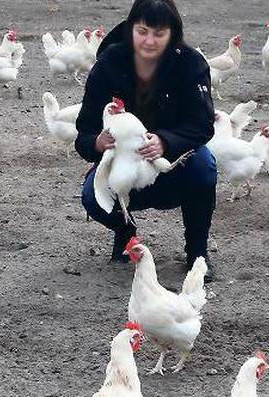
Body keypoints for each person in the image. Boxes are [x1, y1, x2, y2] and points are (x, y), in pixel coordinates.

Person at [74, 0, 217, 281]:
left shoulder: (190, 64)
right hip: (123, 166)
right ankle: (127, 235)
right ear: (130, 29)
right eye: (142, 31)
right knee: (93, 196)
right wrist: (98, 143)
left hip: (169, 163)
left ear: (172, 33)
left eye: (159, 33)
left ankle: (198, 252)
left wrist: (166, 141)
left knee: (203, 165)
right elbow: (84, 134)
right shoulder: (108, 64)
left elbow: (202, 124)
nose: (149, 41)